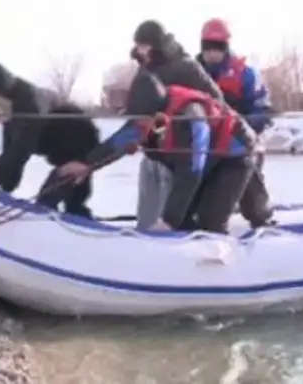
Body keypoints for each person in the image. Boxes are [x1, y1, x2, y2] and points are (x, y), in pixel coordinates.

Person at [58, 72, 268, 233]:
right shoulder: (150, 118)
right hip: (208, 158)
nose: (142, 124)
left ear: (160, 112)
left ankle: (224, 258)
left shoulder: (190, 118)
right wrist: (87, 165)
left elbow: (191, 172)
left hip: (234, 153)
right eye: (138, 118)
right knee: (184, 216)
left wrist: (168, 221)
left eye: (145, 119)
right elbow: (120, 142)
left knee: (210, 219)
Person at [0, 62, 99, 218]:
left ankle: (77, 221)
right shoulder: (11, 108)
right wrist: (4, 185)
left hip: (79, 143)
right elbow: (10, 149)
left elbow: (22, 148)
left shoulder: (28, 104)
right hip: (60, 147)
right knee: (54, 198)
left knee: (53, 199)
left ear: (0, 94)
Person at [128, 20, 225, 230]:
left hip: (186, 139)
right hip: (160, 138)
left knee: (169, 177)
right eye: (138, 45)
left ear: (155, 45)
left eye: (143, 45)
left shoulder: (185, 67)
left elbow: (217, 101)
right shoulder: (146, 70)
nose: (139, 50)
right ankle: (144, 229)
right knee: (150, 167)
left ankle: (168, 227)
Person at [196, 18, 274, 226]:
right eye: (207, 47)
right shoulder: (191, 73)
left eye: (217, 47)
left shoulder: (245, 75)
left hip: (239, 141)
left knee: (243, 158)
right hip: (202, 146)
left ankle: (259, 212)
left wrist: (239, 128)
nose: (212, 53)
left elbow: (263, 111)